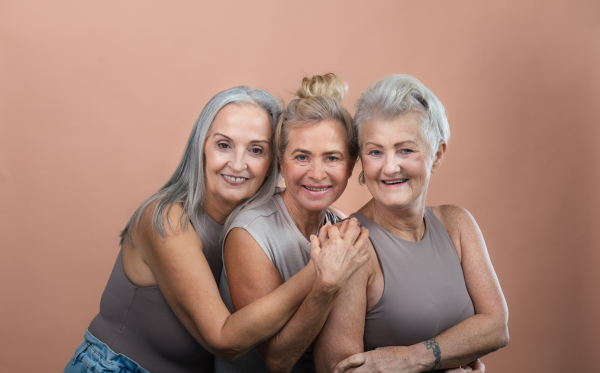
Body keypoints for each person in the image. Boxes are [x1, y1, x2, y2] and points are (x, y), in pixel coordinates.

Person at [64, 86, 370, 373]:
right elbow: (224, 340)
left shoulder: (257, 220)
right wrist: (320, 271)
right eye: (224, 145)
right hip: (114, 367)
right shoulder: (167, 218)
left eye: (255, 150)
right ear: (202, 148)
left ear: (272, 161)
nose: (238, 164)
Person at [313, 74, 509, 373]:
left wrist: (413, 358)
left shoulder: (457, 224)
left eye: (405, 149)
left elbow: (496, 326)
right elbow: (340, 369)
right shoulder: (350, 244)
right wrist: (451, 361)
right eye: (375, 151)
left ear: (437, 154)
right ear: (362, 161)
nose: (390, 167)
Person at [216, 73, 366, 373]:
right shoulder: (250, 232)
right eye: (302, 157)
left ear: (351, 166)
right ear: (281, 163)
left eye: (332, 158)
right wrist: (325, 283)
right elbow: (277, 360)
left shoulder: (342, 227)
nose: (317, 173)